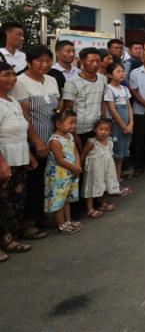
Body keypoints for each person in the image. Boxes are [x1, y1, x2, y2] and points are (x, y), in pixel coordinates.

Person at [12, 45, 60, 240]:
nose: (45, 64)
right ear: (30, 62)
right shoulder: (20, 82)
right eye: (39, 60)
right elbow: (25, 115)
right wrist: (36, 141)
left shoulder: (52, 80)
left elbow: (59, 107)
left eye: (48, 60)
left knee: (48, 179)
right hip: (34, 140)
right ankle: (28, 222)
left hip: (53, 138)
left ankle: (41, 216)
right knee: (33, 181)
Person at [0, 61, 37, 258]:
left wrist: (28, 154)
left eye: (13, 75)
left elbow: (21, 129)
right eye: (6, 74)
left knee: (13, 202)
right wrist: (2, 162)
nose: (12, 79)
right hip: (4, 161)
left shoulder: (12, 101)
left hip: (19, 158)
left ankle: (9, 238)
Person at [44, 109, 82, 235]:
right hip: (59, 175)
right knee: (58, 199)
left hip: (70, 172)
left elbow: (75, 150)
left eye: (74, 123)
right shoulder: (55, 141)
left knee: (66, 198)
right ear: (58, 124)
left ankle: (68, 220)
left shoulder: (70, 136)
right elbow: (60, 160)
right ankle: (60, 224)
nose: (73, 126)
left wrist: (77, 164)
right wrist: (74, 168)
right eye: (70, 123)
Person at [63, 48, 107, 150]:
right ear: (82, 62)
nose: (95, 64)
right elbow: (68, 110)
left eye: (98, 61)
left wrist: (103, 123)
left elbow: (102, 103)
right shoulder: (72, 82)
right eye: (91, 61)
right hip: (79, 130)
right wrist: (74, 135)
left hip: (97, 128)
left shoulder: (102, 79)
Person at [81, 118, 120, 219]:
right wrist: (80, 166)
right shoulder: (91, 143)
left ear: (110, 131)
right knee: (92, 187)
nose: (103, 132)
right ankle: (90, 209)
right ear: (95, 129)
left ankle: (103, 203)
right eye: (101, 129)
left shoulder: (110, 141)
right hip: (94, 171)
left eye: (106, 130)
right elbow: (83, 155)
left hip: (107, 169)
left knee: (106, 184)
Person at [104, 63, 133, 188]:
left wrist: (131, 123)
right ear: (109, 74)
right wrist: (123, 126)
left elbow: (129, 107)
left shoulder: (125, 89)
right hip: (116, 126)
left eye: (123, 71)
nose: (122, 74)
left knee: (121, 153)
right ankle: (113, 182)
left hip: (127, 125)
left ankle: (117, 179)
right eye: (118, 71)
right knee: (115, 153)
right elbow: (112, 110)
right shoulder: (108, 89)